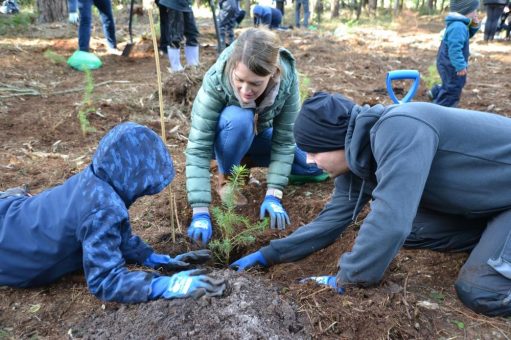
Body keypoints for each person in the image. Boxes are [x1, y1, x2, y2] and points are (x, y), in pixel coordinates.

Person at [232, 91, 511, 317]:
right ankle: (495, 241)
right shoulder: (358, 157)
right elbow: (332, 220)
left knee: (480, 290)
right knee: (413, 231)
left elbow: (391, 220)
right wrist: (270, 255)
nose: (308, 161)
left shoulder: (400, 129)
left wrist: (347, 279)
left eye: (314, 151)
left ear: (335, 142)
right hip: (494, 199)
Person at [0, 122, 225, 303]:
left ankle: (15, 195)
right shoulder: (102, 210)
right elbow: (105, 281)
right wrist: (168, 285)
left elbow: (117, 236)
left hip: (17, 217)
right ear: (136, 176)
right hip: (11, 253)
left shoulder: (96, 179)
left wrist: (153, 258)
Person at [185, 27, 328, 245]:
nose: (245, 90)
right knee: (240, 119)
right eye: (239, 80)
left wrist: (274, 193)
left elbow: (284, 140)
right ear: (233, 66)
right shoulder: (216, 80)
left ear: (274, 73)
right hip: (226, 136)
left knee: (313, 166)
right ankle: (228, 177)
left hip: (258, 136)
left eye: (255, 84)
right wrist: (200, 212)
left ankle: (247, 161)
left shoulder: (287, 81)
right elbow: (198, 148)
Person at [428, 0, 480, 108]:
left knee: (451, 83)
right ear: (466, 10)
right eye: (474, 10)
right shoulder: (458, 26)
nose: (476, 13)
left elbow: (465, 37)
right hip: (451, 65)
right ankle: (442, 110)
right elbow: (454, 49)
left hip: (448, 62)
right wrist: (460, 65)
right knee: (453, 89)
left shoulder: (459, 24)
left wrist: (474, 24)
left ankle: (435, 92)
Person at [156, 0, 200, 72]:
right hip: (173, 3)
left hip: (185, 3)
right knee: (175, 35)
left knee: (192, 32)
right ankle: (176, 68)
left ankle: (193, 65)